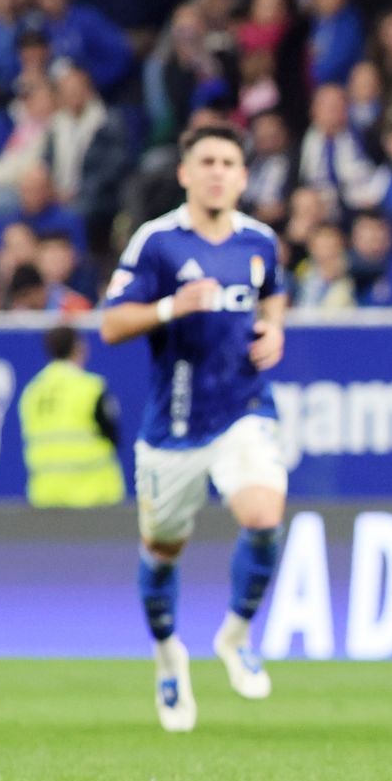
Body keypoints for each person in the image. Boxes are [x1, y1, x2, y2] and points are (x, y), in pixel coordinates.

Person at [99, 126, 289, 732]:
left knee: (263, 513)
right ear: (185, 173)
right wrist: (169, 308)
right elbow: (110, 325)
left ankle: (233, 637)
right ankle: (168, 654)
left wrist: (275, 330)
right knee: (162, 551)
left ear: (242, 175)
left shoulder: (260, 241)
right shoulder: (156, 243)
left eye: (229, 162)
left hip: (242, 410)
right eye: (206, 161)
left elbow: (274, 295)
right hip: (174, 428)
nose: (217, 171)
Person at [19, 323, 124, 508]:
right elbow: (112, 434)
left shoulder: (32, 391)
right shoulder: (90, 387)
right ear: (78, 347)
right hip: (92, 493)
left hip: (46, 494)